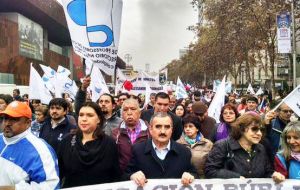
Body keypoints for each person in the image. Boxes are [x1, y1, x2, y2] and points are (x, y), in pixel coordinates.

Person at [205, 112, 285, 183]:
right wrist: (236, 177)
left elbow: (267, 171)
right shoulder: (222, 146)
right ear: (241, 129)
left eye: (261, 130)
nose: (259, 133)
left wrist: (273, 174)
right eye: (254, 129)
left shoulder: (261, 148)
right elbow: (210, 171)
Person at [58, 102, 121, 188]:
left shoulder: (109, 143)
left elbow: (115, 175)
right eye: (81, 115)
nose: (84, 119)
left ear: (98, 119)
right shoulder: (66, 141)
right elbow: (59, 172)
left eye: (90, 115)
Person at [126, 112, 197, 187]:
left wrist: (190, 176)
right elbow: (125, 176)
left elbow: (195, 174)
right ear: (150, 129)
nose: (163, 131)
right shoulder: (138, 150)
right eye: (158, 127)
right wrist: (132, 176)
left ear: (171, 130)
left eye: (167, 127)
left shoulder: (184, 152)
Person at [0, 101, 59, 189]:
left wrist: (13, 189)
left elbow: (51, 186)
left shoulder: (41, 150)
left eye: (14, 119)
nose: (7, 123)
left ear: (28, 123)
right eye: (5, 118)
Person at [112, 98, 149, 172]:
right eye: (125, 110)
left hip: (145, 175)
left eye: (133, 109)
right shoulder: (115, 133)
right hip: (123, 177)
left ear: (139, 113)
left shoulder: (150, 131)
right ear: (122, 114)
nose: (129, 112)